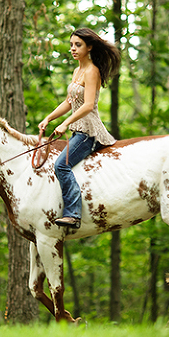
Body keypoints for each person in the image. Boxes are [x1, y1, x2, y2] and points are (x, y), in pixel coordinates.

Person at [38, 28, 121, 229]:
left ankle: (73, 214)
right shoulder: (77, 71)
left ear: (89, 47)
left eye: (78, 45)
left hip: (89, 132)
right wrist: (49, 117)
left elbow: (88, 105)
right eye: (72, 45)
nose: (73, 49)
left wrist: (65, 123)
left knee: (61, 165)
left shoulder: (92, 71)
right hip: (78, 131)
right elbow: (70, 101)